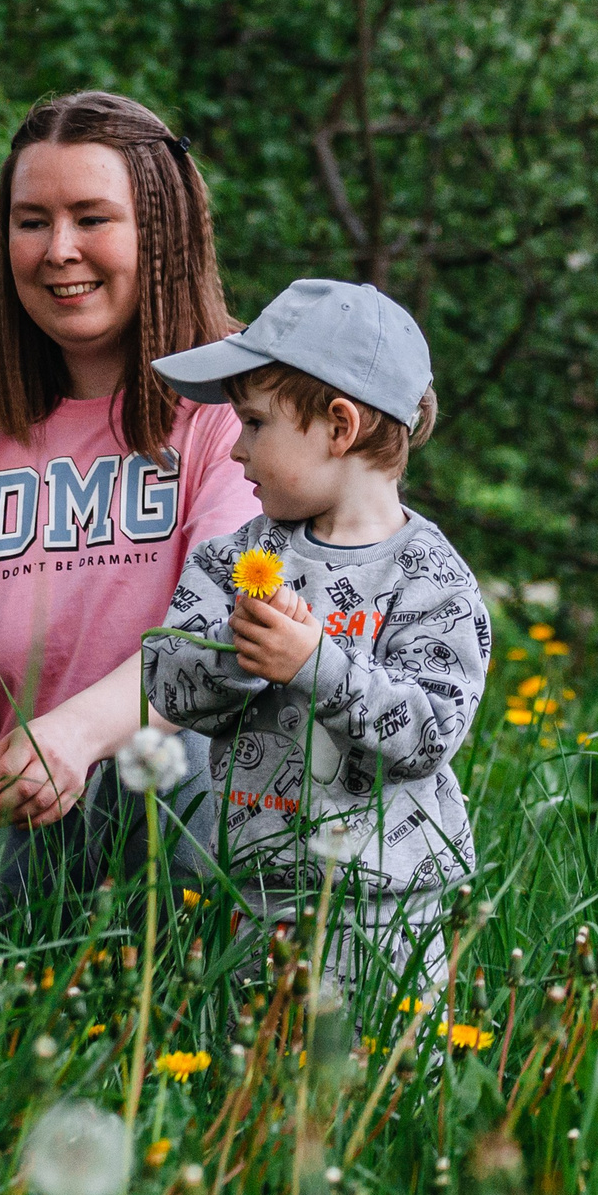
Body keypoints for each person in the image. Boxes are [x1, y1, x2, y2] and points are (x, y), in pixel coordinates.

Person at [0, 91, 260, 903]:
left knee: (191, 777)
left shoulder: (240, 405)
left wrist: (74, 733)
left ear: (162, 233)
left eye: (92, 218)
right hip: (37, 823)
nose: (58, 249)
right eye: (32, 221)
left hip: (213, 809)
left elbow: (219, 641)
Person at [141, 277, 485, 994]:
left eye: (255, 424)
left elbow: (431, 735)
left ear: (339, 426)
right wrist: (238, 657)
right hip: (259, 897)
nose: (235, 450)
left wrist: (315, 665)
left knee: (385, 1091)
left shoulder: (431, 578)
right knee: (259, 1084)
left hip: (393, 908)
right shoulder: (237, 560)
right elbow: (167, 681)